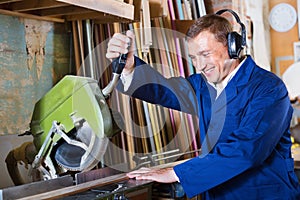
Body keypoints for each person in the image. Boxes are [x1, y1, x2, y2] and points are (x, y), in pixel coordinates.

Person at [106, 10, 300, 199]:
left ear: (232, 46)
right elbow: (164, 90)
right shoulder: (203, 85)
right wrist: (130, 67)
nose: (199, 66)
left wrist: (176, 173)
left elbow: (246, 149)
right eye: (193, 58)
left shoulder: (269, 88)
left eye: (205, 54)